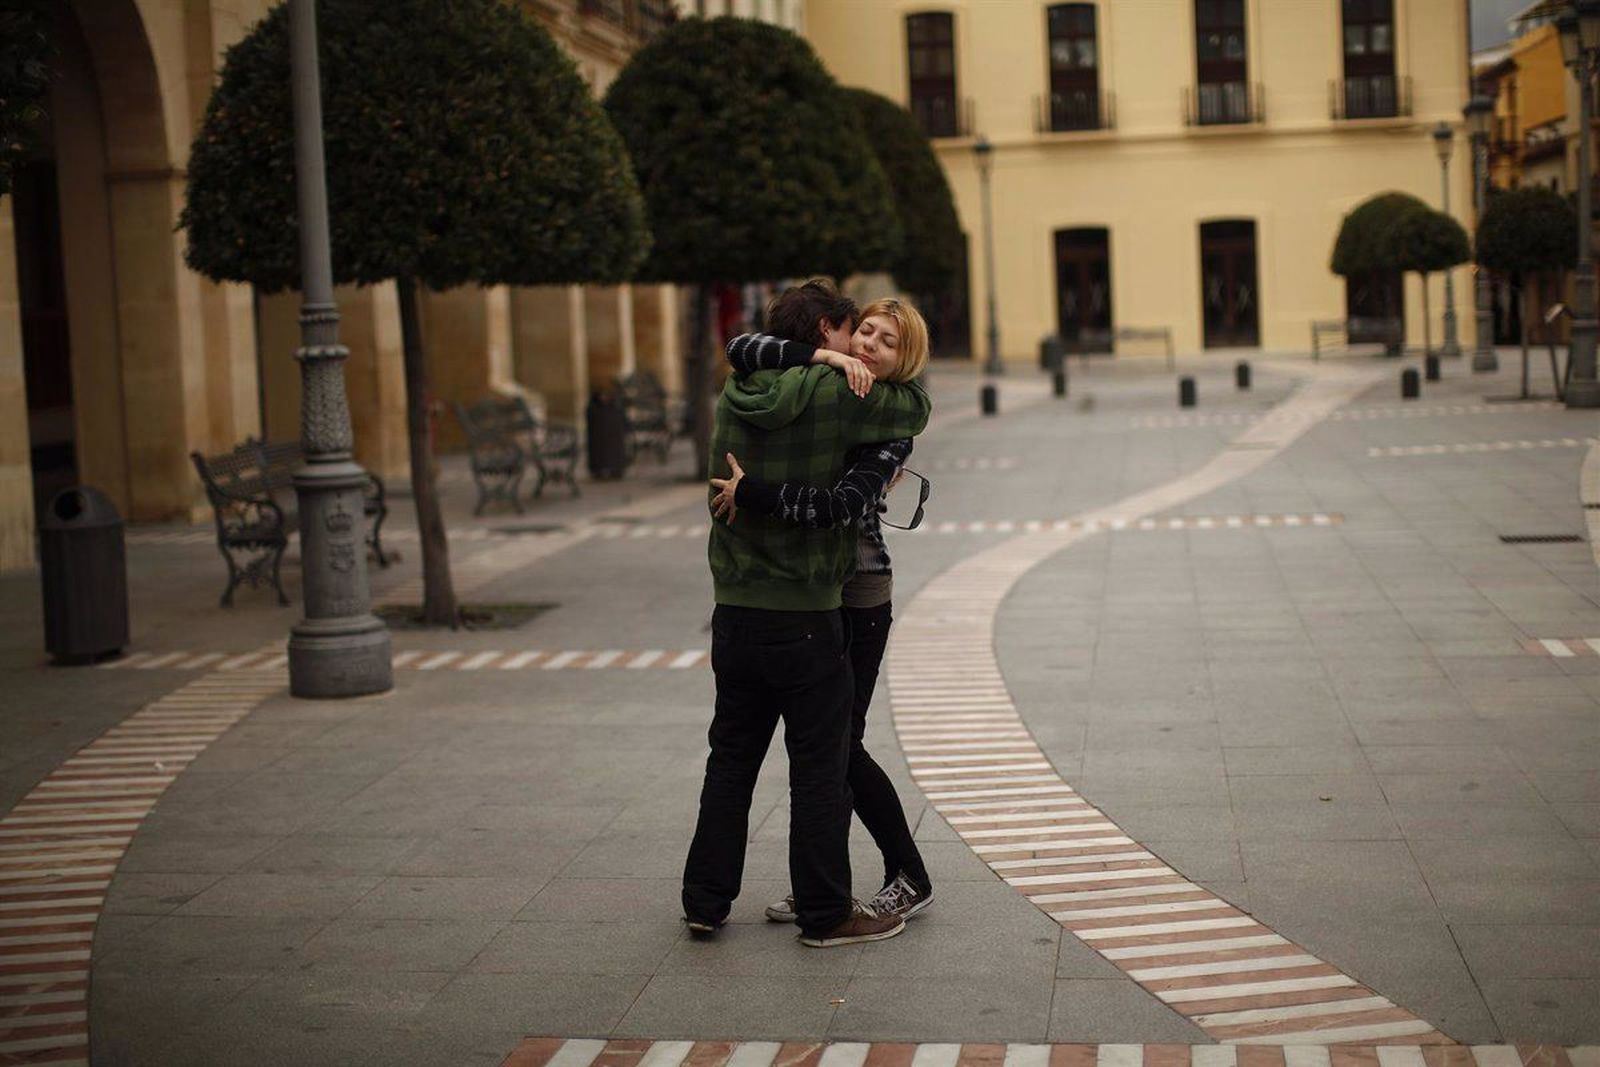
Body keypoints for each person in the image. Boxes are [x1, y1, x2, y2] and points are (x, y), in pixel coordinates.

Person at [682, 279, 932, 948]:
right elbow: (915, 407)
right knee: (821, 765)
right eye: (856, 332)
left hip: (734, 607)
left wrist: (753, 491)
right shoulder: (840, 393)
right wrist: (834, 366)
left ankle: (705, 901)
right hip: (805, 611)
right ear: (827, 332)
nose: (862, 346)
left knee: (730, 759)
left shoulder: (736, 387)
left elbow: (741, 348)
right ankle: (825, 912)